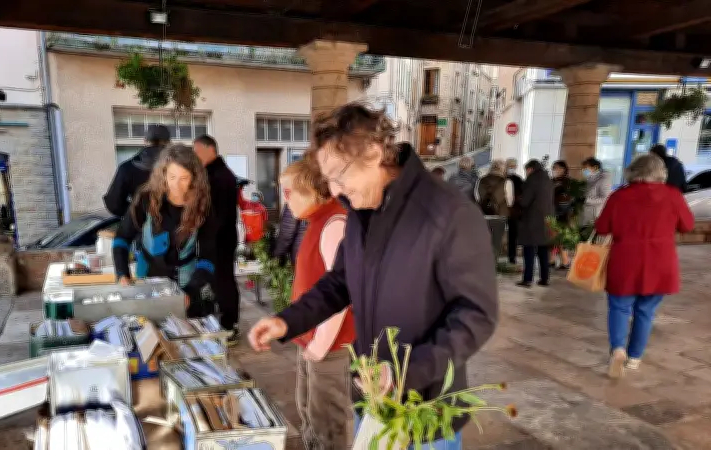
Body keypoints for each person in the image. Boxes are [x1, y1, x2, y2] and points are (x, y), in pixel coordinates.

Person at [248, 104, 498, 450]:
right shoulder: (361, 210)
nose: (334, 191)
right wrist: (287, 322)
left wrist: (403, 375)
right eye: (328, 179)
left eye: (339, 175)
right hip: (373, 400)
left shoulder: (448, 213)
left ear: (374, 151)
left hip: (427, 415)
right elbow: (339, 283)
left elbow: (476, 316)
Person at [595, 154, 694, 378]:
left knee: (619, 308)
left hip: (625, 260)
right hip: (661, 262)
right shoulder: (672, 195)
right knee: (646, 311)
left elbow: (602, 228)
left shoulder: (619, 196)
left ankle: (617, 349)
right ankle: (634, 358)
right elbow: (687, 225)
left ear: (633, 171)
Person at [279, 157, 353, 450]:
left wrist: (321, 343)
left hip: (331, 346)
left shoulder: (335, 223)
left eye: (289, 192)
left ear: (313, 190)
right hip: (312, 338)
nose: (286, 201)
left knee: (328, 421)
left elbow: (341, 291)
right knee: (308, 410)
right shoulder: (315, 220)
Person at [112, 144, 217, 317]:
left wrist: (191, 291)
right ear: (163, 175)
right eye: (172, 176)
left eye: (184, 178)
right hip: (147, 280)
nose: (176, 185)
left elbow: (209, 258)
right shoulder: (146, 198)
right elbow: (122, 238)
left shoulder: (203, 206)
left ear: (194, 178)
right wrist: (122, 273)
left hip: (186, 283)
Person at [193, 134, 241, 344]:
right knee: (219, 281)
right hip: (217, 237)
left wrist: (206, 240)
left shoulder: (219, 176)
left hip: (219, 239)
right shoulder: (213, 173)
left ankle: (229, 325)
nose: (195, 157)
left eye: (197, 152)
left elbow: (217, 216)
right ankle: (225, 321)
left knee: (223, 282)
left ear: (209, 149)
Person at [104, 124, 171, 216]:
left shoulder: (126, 168)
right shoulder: (182, 167)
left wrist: (137, 212)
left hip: (139, 226)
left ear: (145, 141)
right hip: (177, 225)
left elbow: (114, 204)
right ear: (169, 142)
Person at [516, 159, 554, 288]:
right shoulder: (547, 180)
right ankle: (544, 278)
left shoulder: (531, 180)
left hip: (532, 220)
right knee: (543, 249)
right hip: (546, 220)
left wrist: (518, 199)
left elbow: (525, 201)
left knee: (529, 250)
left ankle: (527, 279)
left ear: (530, 169)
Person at [477, 160, 511, 260]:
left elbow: (477, 196)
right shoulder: (507, 181)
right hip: (500, 215)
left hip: (484, 214)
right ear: (503, 169)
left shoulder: (481, 180)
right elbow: (510, 200)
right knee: (496, 240)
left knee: (484, 239)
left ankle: (483, 260)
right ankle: (493, 262)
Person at [551, 160, 574, 269]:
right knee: (552, 237)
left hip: (564, 213)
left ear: (564, 169)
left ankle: (565, 261)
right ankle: (551, 260)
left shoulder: (568, 182)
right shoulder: (551, 181)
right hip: (552, 211)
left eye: (558, 168)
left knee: (561, 238)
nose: (556, 170)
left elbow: (570, 198)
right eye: (554, 168)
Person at [580, 157, 612, 226]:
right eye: (583, 168)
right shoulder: (590, 177)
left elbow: (605, 198)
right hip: (587, 213)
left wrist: (586, 200)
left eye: (586, 168)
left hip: (596, 213)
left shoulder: (604, 179)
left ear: (595, 167)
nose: (583, 170)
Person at [505, 158, 524, 264]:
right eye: (510, 166)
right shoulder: (502, 178)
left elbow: (522, 194)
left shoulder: (518, 179)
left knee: (513, 235)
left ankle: (512, 256)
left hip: (514, 211)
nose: (511, 168)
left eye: (513, 166)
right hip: (506, 210)